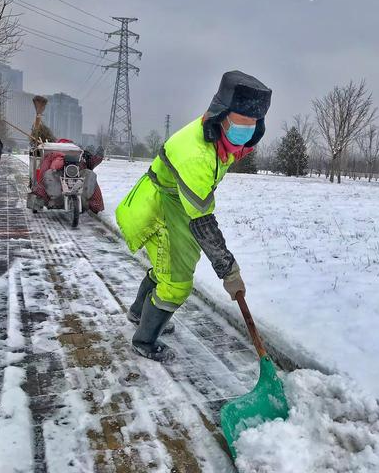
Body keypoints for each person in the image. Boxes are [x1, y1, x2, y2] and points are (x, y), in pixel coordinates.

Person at [116, 70, 272, 362]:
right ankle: (145, 340)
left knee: (169, 268)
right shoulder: (196, 154)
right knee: (176, 282)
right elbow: (202, 221)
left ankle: (140, 313)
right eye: (240, 123)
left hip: (174, 204)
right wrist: (228, 270)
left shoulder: (222, 140)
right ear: (221, 115)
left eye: (252, 125)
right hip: (159, 209)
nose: (246, 131)